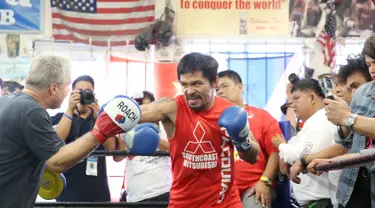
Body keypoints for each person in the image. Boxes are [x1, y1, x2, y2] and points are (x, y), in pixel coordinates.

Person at [0, 53, 138, 208]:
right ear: (53, 88)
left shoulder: (6, 102)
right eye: (67, 86)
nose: (67, 92)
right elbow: (57, 162)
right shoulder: (31, 111)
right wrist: (101, 130)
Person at [134, 52, 260, 207]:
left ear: (214, 82)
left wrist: (241, 140)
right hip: (182, 203)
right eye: (185, 84)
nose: (189, 91)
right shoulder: (172, 107)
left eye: (196, 84)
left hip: (225, 203)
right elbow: (141, 112)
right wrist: (116, 113)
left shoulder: (229, 111)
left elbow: (253, 157)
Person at [307, 35, 375, 208]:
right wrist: (342, 122)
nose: (372, 69)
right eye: (369, 64)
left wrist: (348, 118)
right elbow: (349, 141)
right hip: (353, 184)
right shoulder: (363, 93)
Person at [216, 70, 281, 208]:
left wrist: (265, 181)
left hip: (254, 187)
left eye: (224, 86)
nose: (220, 91)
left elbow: (276, 152)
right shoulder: (212, 120)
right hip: (221, 190)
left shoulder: (262, 116)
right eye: (216, 89)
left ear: (240, 87)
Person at [272, 79, 340, 208]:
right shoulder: (313, 122)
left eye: (297, 98)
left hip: (322, 202)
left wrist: (280, 145)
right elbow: (294, 147)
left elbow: (300, 155)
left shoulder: (323, 119)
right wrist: (284, 152)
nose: (293, 105)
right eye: (291, 101)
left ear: (312, 97)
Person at [51, 75, 115, 202]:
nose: (83, 95)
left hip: (98, 192)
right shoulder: (61, 118)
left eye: (88, 92)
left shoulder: (100, 119)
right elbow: (55, 144)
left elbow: (112, 148)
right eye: (80, 92)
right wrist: (70, 109)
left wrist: (100, 118)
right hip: (67, 191)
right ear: (72, 93)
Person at [116, 91, 172, 203]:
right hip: (135, 196)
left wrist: (151, 137)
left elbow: (175, 149)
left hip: (162, 192)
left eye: (145, 107)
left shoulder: (165, 125)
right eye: (138, 107)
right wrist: (130, 133)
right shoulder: (127, 129)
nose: (142, 111)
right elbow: (117, 157)